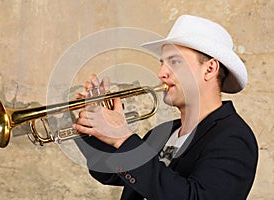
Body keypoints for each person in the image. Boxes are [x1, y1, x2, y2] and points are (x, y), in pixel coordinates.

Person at [73, 15, 258, 200]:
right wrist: (96, 126)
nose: (161, 73)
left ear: (209, 69)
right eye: (162, 63)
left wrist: (123, 138)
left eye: (175, 62)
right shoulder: (164, 131)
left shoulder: (234, 138)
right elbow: (108, 172)